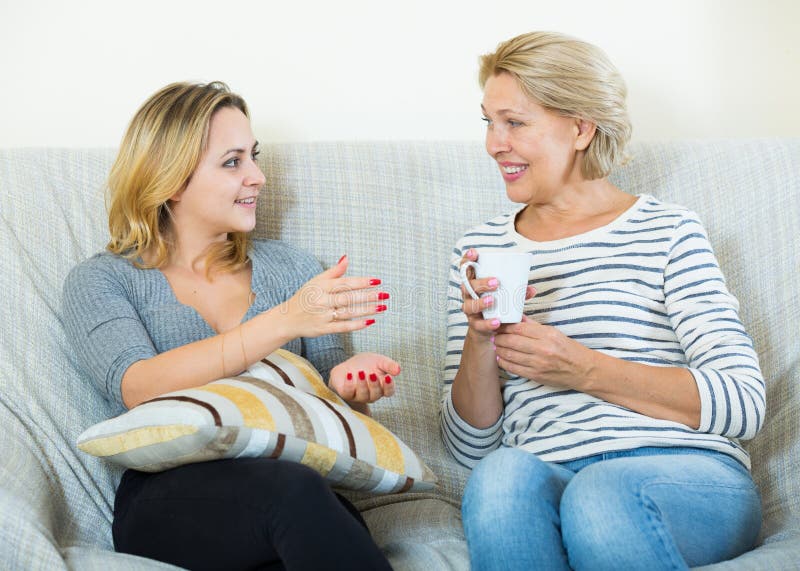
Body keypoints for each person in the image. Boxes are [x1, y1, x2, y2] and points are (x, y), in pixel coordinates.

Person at [440, 32, 765, 570]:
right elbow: (470, 449)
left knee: (598, 494)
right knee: (499, 478)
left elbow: (743, 402)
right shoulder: (481, 251)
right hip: (547, 470)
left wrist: (584, 370)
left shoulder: (669, 231)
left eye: (515, 122)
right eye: (488, 122)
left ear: (581, 128)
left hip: (685, 475)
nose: (494, 143)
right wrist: (480, 341)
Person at [62, 81, 397, 571]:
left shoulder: (293, 270)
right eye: (233, 161)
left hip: (292, 489)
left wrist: (351, 386)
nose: (259, 177)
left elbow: (328, 408)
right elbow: (139, 387)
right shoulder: (102, 280)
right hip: (170, 499)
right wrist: (284, 320)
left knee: (321, 509)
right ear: (171, 179)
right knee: (294, 495)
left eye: (254, 156)